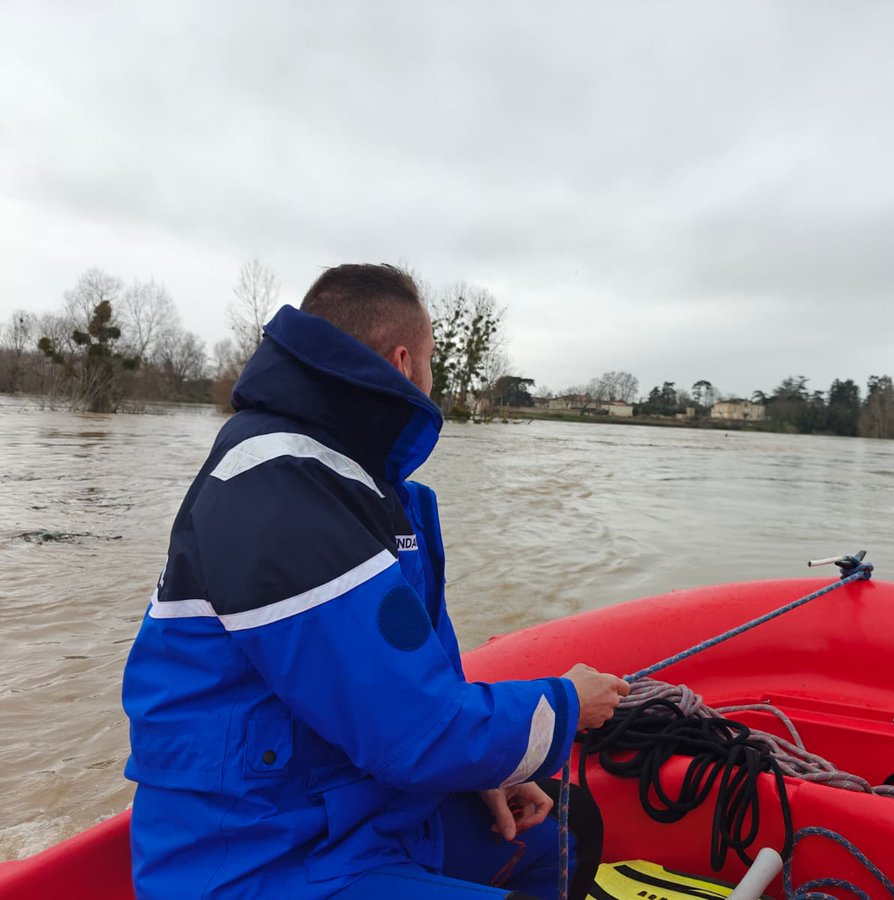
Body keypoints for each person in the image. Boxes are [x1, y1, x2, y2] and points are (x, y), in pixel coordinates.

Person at [122, 263, 630, 899]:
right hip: (259, 850)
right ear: (402, 363)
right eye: (432, 363)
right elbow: (414, 728)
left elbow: (405, 691)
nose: (434, 382)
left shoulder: (359, 487)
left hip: (344, 808)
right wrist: (566, 705)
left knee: (561, 827)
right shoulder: (281, 485)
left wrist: (483, 771)